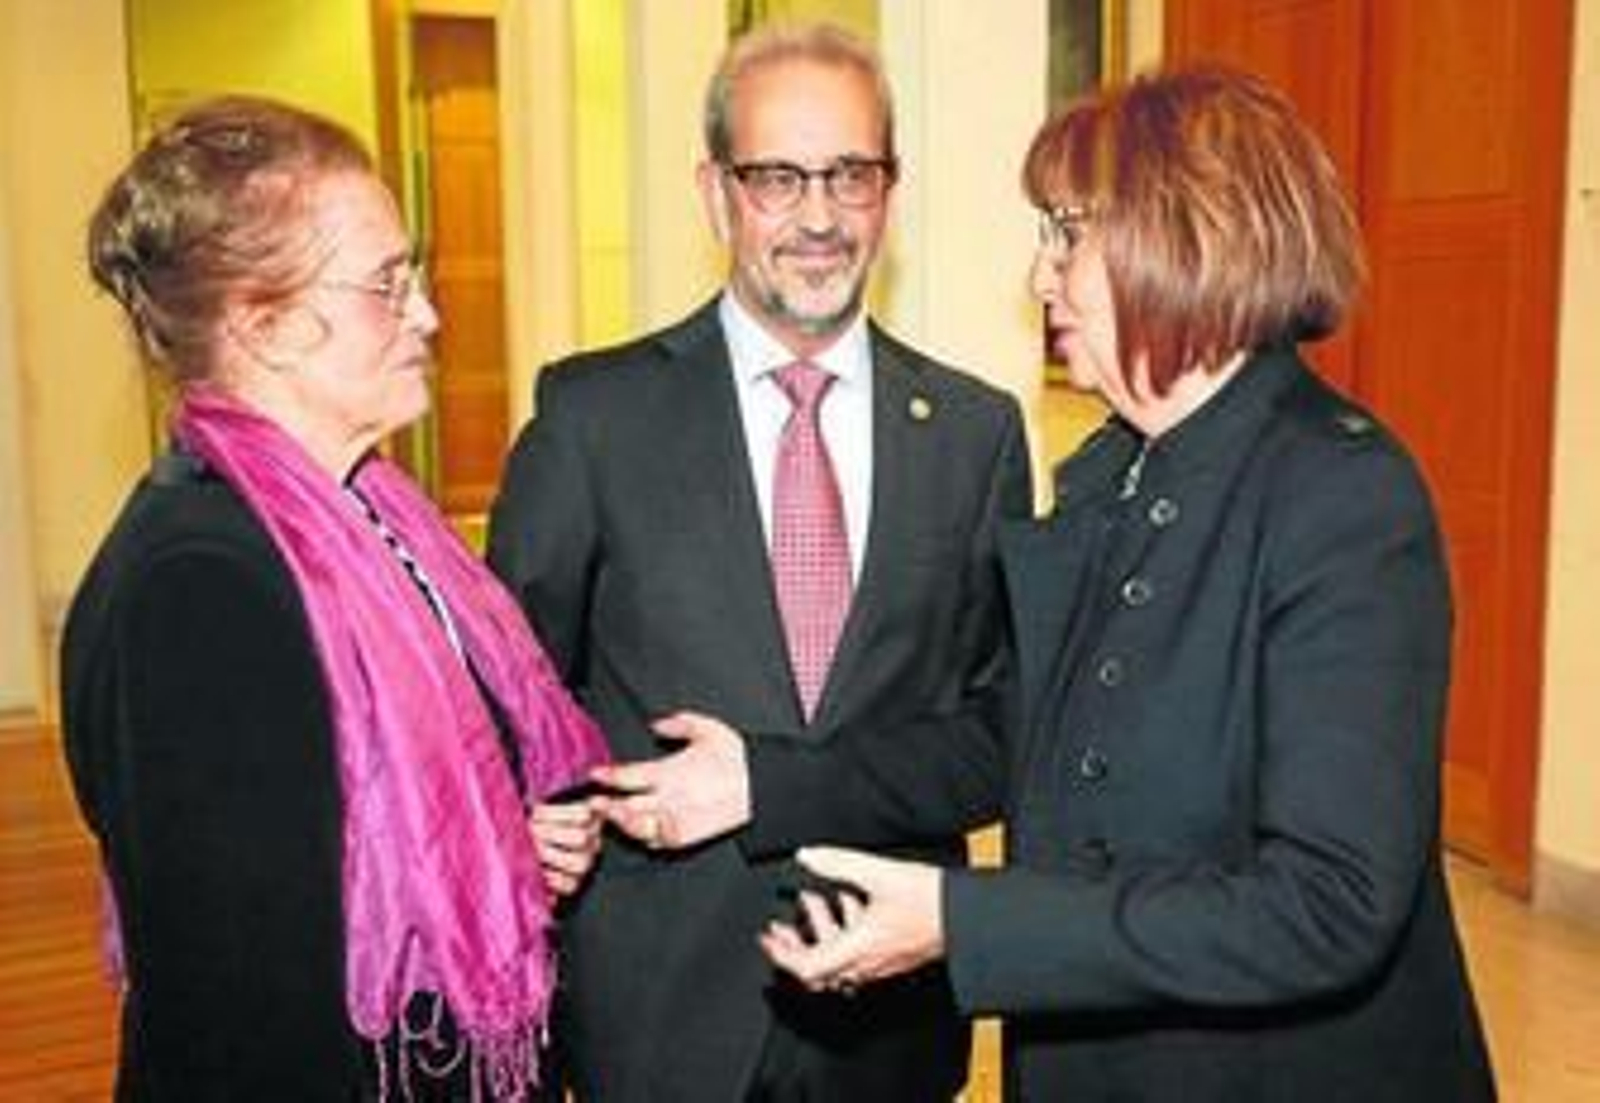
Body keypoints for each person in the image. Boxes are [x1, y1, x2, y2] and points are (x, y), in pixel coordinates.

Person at [761, 65, 1497, 1102]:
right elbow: (1006, 736)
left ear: (1186, 233)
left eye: (1065, 233)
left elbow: (1325, 901)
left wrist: (961, 921)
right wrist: (758, 780)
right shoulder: (1113, 474)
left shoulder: (1342, 495)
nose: (1040, 279)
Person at [486, 21, 1032, 1103]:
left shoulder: (974, 434)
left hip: (889, 1012)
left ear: (890, 187)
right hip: (655, 1007)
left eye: (850, 174)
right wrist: (538, 810)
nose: (819, 216)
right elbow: (506, 695)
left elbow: (1002, 733)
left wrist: (777, 784)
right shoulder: (593, 417)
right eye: (777, 177)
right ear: (714, 192)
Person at [62, 96, 609, 1102]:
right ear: (264, 325)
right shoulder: (197, 586)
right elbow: (241, 1009)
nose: (428, 313)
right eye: (385, 285)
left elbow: (357, 827)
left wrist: (500, 845)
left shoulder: (372, 516)